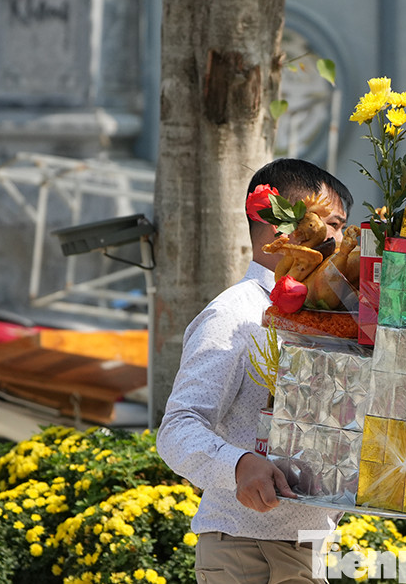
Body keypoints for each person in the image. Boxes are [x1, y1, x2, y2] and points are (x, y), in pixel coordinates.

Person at [157, 158, 352, 584]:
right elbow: (177, 428)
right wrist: (239, 465)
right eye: (331, 224)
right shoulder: (235, 313)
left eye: (343, 227)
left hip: (310, 545)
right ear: (274, 221)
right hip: (243, 550)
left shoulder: (332, 318)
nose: (340, 240)